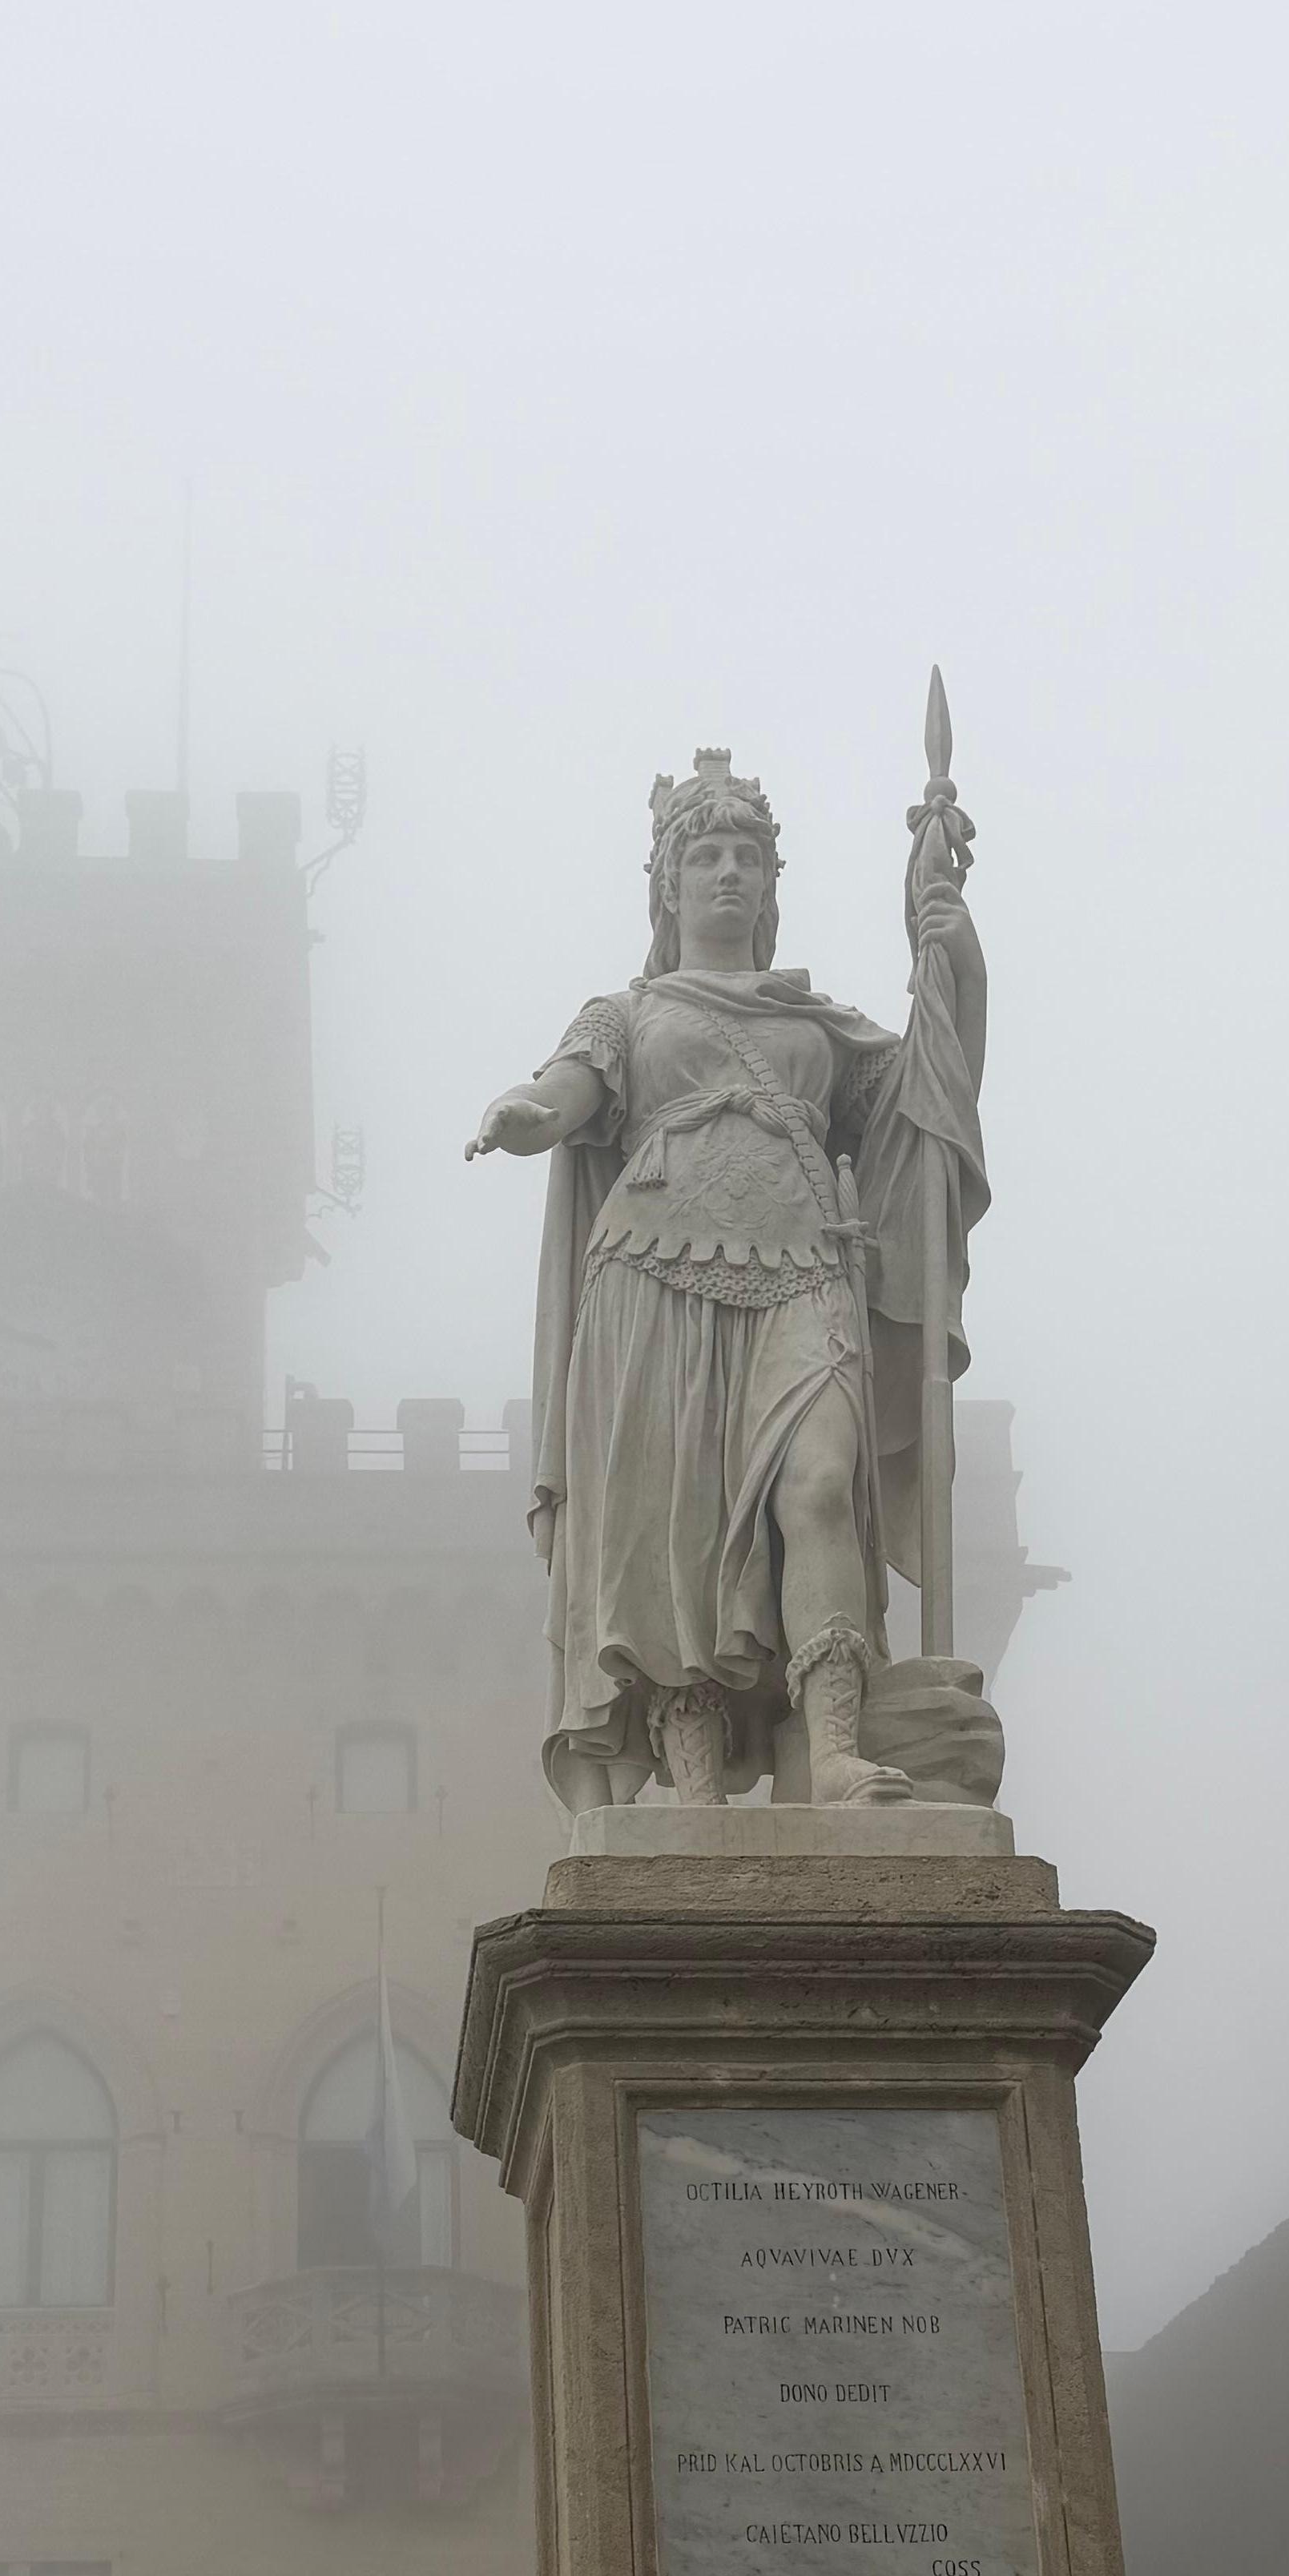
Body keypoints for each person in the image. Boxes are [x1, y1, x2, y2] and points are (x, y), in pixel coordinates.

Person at [466, 752, 984, 1812]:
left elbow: (928, 1102)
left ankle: (833, 1751)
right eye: (705, 854)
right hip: (653, 1279)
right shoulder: (625, 1014)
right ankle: (693, 1791)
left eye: (747, 854)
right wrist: (523, 1115)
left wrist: (951, 959)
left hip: (804, 1270)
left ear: (770, 882)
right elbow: (563, 1093)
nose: (728, 872)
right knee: (682, 1536)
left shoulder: (821, 1026)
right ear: (669, 884)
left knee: (821, 1484)